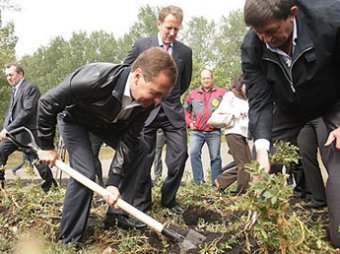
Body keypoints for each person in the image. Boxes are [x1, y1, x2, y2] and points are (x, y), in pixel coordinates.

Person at [36, 47, 178, 244]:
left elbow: (129, 139)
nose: (158, 100)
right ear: (137, 76)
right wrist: (46, 145)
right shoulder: (94, 79)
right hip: (74, 121)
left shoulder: (148, 101)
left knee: (142, 148)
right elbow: (47, 102)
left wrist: (113, 182)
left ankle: (116, 214)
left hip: (107, 122)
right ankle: (68, 239)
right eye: (155, 92)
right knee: (85, 172)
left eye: (161, 95)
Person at [241, 0, 340, 247]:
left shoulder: (330, 20)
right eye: (258, 32)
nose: (264, 38)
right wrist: (262, 151)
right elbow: (261, 102)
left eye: (271, 31)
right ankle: (263, 239)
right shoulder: (252, 46)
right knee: (265, 162)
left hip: (333, 100)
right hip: (287, 108)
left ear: (292, 14)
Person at [118, 5, 192, 215]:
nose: (172, 33)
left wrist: (167, 96)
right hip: (144, 111)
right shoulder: (141, 45)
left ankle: (169, 200)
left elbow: (184, 82)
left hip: (172, 114)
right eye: (169, 28)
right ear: (159, 24)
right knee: (144, 158)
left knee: (180, 157)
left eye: (176, 29)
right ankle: (143, 201)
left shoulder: (184, 52)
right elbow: (126, 72)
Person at [0, 63, 57, 191]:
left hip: (28, 134)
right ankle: (0, 189)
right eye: (7, 75)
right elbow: (10, 113)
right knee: (0, 151)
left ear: (20, 74)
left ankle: (52, 190)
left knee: (39, 163)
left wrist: (7, 129)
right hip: (13, 134)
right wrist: (5, 128)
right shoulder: (15, 89)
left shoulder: (30, 88)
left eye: (11, 75)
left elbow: (27, 111)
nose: (8, 78)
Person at [183, 69, 226, 186]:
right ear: (200, 80)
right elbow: (185, 110)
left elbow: (229, 108)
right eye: (203, 78)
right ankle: (199, 183)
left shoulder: (222, 93)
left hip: (214, 131)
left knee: (215, 158)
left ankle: (216, 185)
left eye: (208, 78)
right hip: (197, 131)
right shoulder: (192, 94)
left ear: (212, 78)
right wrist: (189, 122)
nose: (206, 80)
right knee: (193, 153)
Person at [213, 74, 251, 195]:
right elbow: (221, 109)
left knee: (250, 165)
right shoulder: (230, 95)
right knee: (243, 165)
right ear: (241, 84)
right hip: (233, 132)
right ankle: (241, 192)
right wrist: (238, 113)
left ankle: (221, 181)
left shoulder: (246, 98)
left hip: (243, 133)